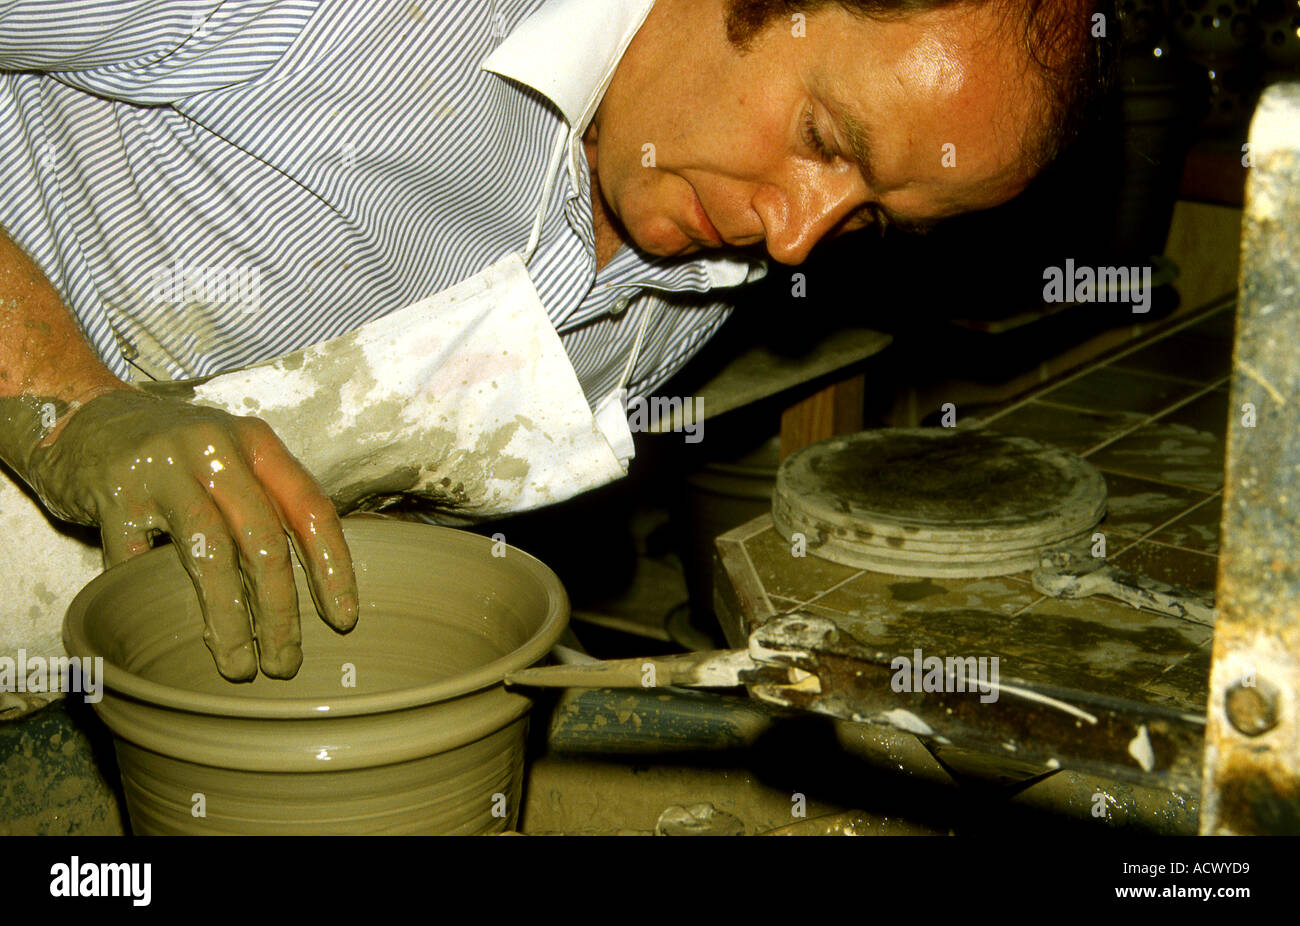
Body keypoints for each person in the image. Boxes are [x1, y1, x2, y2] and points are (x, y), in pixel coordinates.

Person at [0, 0, 1103, 683]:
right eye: (823, 137)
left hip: (135, 693)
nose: (797, 232)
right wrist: (61, 397)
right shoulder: (334, 17)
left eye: (866, 216)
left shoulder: (710, 262)